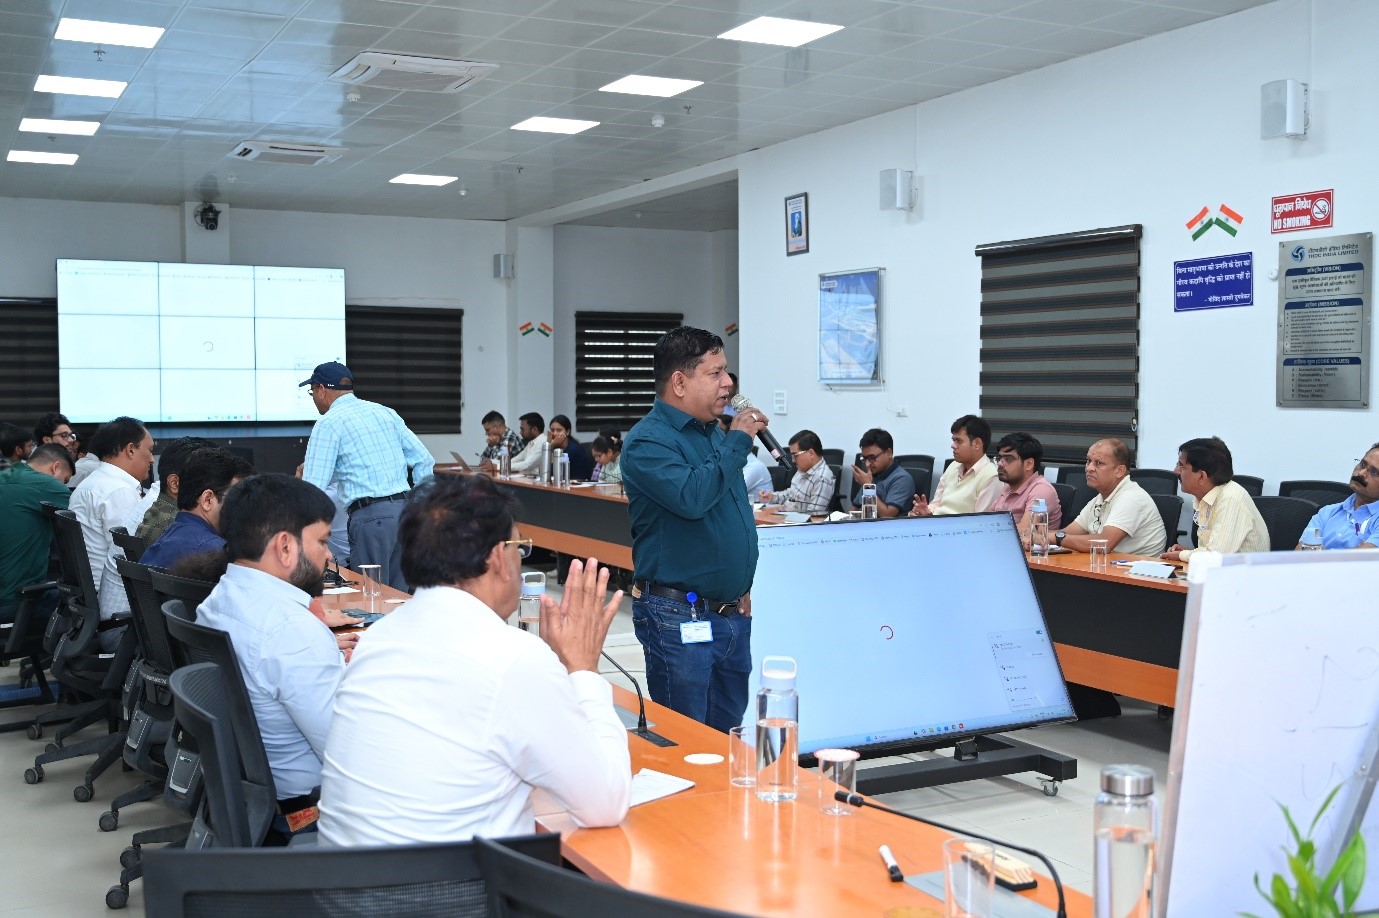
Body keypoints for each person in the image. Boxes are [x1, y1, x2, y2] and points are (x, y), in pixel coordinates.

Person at [317, 474, 631, 846]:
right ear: (499, 557)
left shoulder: (377, 638)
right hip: (452, 881)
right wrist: (583, 669)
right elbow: (604, 803)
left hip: (343, 877)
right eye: (518, 547)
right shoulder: (513, 657)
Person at [621, 326, 765, 731]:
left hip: (730, 611)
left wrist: (738, 582)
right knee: (689, 740)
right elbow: (693, 498)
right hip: (678, 616)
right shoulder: (648, 442)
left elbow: (726, 509)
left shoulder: (711, 434)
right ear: (680, 383)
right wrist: (738, 442)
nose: (728, 383)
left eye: (726, 371)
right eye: (715, 373)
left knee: (727, 735)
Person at [195, 474, 351, 844]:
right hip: (307, 812)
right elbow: (348, 753)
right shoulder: (291, 630)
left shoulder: (218, 600)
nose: (329, 555)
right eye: (322, 541)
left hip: (254, 799)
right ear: (284, 546)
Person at [299, 361, 435, 592]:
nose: (314, 399)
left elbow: (313, 487)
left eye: (312, 392)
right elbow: (424, 460)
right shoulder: (384, 412)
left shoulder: (329, 423)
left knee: (371, 598)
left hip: (371, 519)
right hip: (404, 514)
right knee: (398, 597)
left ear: (321, 389)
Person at [68, 417, 154, 634]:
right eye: (149, 450)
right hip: (115, 610)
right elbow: (131, 555)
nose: (152, 459)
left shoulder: (96, 482)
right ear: (131, 450)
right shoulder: (118, 491)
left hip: (88, 602)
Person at [141, 448, 254, 570]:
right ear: (207, 500)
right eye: (237, 498)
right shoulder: (215, 554)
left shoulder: (165, 539)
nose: (243, 508)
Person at [1053, 438, 1166, 556]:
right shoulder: (1100, 498)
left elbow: (1104, 544)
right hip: (1108, 564)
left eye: (1099, 463)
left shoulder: (1132, 498)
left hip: (1137, 566)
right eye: (1088, 461)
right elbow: (1068, 532)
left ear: (1119, 471)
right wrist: (1042, 536)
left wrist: (1057, 539)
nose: (1089, 468)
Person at [1160, 437, 1268, 560]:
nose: (1175, 471)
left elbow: (1217, 556)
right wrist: (1190, 552)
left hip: (1243, 572)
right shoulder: (1207, 497)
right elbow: (1213, 550)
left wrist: (1182, 555)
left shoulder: (1231, 499)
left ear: (1202, 476)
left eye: (1181, 466)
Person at [0, 443, 73, 625]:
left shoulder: (6, 475)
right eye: (65, 480)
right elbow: (87, 520)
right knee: (84, 603)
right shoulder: (47, 485)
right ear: (55, 468)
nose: (64, 486)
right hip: (14, 601)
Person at [911, 415, 999, 517]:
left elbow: (981, 521)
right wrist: (925, 511)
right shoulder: (953, 466)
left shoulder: (991, 477)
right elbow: (936, 503)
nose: (953, 445)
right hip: (936, 522)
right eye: (953, 440)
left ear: (977, 444)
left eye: (959, 441)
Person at [1295, 444, 1379, 550]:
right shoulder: (1326, 513)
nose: (1361, 473)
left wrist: (1320, 551)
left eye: (1374, 472)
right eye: (1362, 464)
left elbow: (1362, 558)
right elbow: (1301, 551)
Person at [135, 436, 216, 544]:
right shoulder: (179, 528)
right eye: (207, 479)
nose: (215, 487)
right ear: (174, 484)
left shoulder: (159, 511)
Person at [990, 432, 1062, 536]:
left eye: (1008, 459)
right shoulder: (1008, 487)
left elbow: (1024, 531)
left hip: (1030, 546)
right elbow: (988, 521)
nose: (1000, 463)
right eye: (999, 458)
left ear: (1029, 464)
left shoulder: (1041, 489)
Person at [759, 430, 836, 514]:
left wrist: (783, 512)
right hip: (786, 516)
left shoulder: (822, 478)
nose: (793, 460)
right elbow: (791, 494)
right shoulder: (802, 470)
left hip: (795, 520)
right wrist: (772, 497)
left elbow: (813, 515)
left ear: (811, 453)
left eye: (795, 455)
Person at [852, 428, 916, 518]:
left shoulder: (902, 479)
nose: (867, 464)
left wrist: (868, 486)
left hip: (890, 526)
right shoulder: (872, 475)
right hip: (865, 523)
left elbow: (887, 515)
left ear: (889, 453)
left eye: (872, 458)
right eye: (865, 458)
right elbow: (854, 508)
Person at [547, 414, 592, 480]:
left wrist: (551, 448)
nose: (555, 433)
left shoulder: (574, 449)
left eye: (559, 430)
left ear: (567, 432)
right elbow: (543, 472)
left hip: (577, 484)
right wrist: (548, 447)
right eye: (552, 430)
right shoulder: (555, 447)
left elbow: (556, 473)